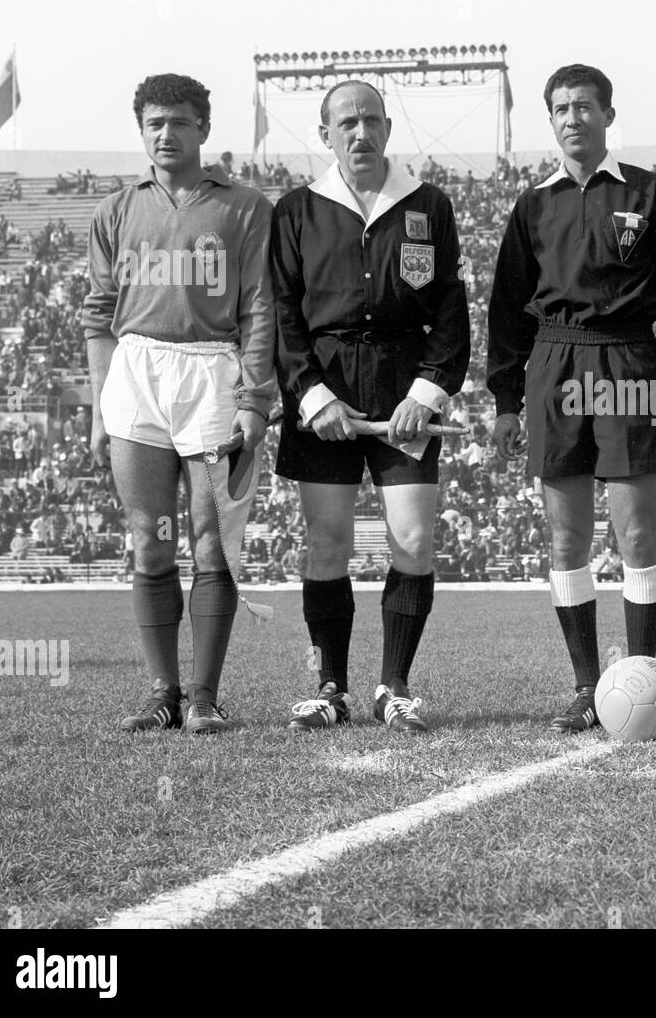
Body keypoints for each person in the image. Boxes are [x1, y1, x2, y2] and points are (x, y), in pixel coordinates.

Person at [488, 63, 656, 733]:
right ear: (549, 120)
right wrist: (504, 400)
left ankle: (641, 675)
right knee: (567, 539)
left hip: (629, 360)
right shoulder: (532, 205)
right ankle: (587, 685)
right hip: (553, 365)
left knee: (637, 531)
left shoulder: (649, 193)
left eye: (585, 106)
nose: (572, 117)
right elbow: (507, 312)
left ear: (608, 115)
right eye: (560, 108)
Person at [270, 79, 470, 735]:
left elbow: (448, 312)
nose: (360, 132)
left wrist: (427, 391)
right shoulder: (297, 209)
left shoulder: (427, 204)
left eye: (371, 120)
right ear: (324, 134)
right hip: (324, 390)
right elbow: (283, 317)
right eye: (346, 122)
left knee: (413, 538)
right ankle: (330, 687)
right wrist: (311, 393)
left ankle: (396, 686)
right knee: (326, 543)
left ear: (388, 127)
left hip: (401, 387)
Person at [83, 73, 274, 734]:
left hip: (210, 371)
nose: (166, 134)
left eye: (179, 122)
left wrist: (255, 402)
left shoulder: (246, 206)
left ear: (203, 129)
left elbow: (258, 310)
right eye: (154, 123)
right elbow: (98, 318)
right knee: (150, 542)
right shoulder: (115, 211)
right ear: (142, 130)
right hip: (135, 373)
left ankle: (203, 695)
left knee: (211, 544)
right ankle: (162, 691)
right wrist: (98, 406)